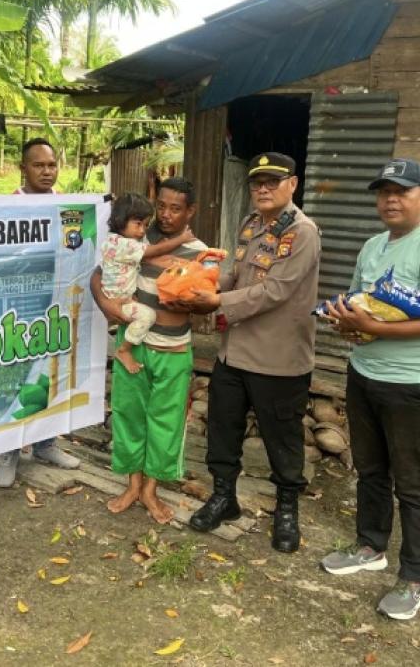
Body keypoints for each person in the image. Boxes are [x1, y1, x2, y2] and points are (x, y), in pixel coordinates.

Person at [318, 158, 420, 620]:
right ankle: (370, 545)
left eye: (401, 191)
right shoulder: (372, 246)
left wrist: (369, 327)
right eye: (383, 192)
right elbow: (359, 303)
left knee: (413, 481)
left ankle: (416, 579)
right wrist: (348, 325)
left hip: (412, 384)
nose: (390, 199)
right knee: (370, 467)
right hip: (364, 373)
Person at [187, 153, 320, 553]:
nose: (262, 188)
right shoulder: (252, 224)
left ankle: (286, 510)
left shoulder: (302, 233)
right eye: (257, 182)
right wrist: (201, 281)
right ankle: (225, 497)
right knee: (223, 430)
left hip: (278, 359)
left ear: (292, 185)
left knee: (282, 439)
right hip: (234, 353)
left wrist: (217, 300)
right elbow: (239, 274)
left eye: (272, 182)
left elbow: (276, 290)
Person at [90, 177, 214, 523]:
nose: (166, 214)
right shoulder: (135, 237)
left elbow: (208, 306)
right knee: (129, 416)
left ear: (191, 211)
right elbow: (98, 277)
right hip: (135, 346)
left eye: (176, 208)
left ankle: (150, 490)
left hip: (174, 349)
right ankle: (132, 485)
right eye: (161, 206)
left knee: (166, 423)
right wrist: (106, 306)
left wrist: (194, 299)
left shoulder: (200, 251)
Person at [0, 137, 80, 487]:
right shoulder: (7, 208)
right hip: (20, 309)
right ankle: (9, 451)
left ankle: (46, 443)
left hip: (57, 307)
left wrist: (108, 210)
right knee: (18, 377)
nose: (47, 172)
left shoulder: (71, 207)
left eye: (52, 165)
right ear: (23, 168)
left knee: (52, 374)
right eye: (38, 165)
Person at [100, 193, 195, 374]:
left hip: (122, 297)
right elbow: (154, 250)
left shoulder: (120, 239)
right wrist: (181, 239)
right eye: (138, 224)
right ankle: (123, 350)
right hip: (120, 302)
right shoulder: (123, 244)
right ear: (120, 221)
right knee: (148, 316)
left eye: (145, 224)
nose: (142, 230)